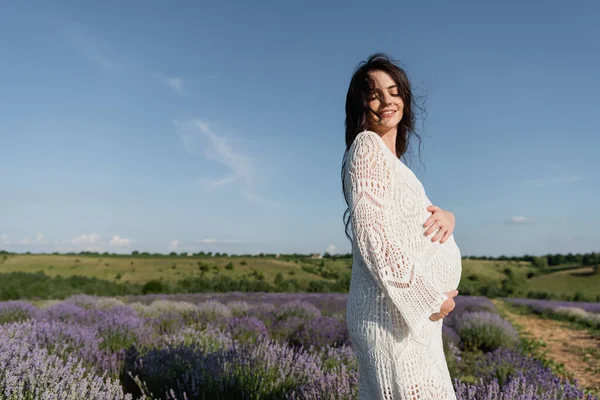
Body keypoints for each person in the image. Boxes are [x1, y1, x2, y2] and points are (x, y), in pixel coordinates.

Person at [341, 53, 463, 399]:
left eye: (393, 91)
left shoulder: (393, 163)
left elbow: (410, 225)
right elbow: (372, 235)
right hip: (390, 314)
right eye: (374, 93)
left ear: (405, 98)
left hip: (406, 316)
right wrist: (427, 301)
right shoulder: (367, 147)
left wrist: (448, 219)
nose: (386, 100)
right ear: (361, 103)